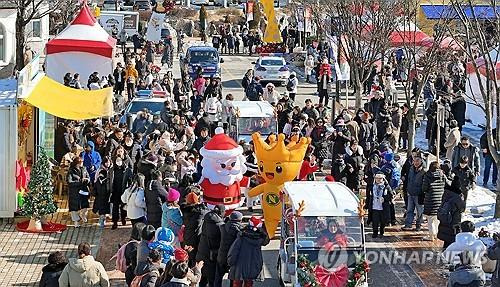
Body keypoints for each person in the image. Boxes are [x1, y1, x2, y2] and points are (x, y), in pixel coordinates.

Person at [227, 217, 270, 287]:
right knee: (249, 283)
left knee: (237, 282)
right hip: (254, 263)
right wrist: (264, 231)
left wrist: (230, 261)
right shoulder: (260, 239)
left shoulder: (242, 236)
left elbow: (234, 250)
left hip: (240, 263)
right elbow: (266, 241)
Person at [196, 204, 225, 287]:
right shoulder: (220, 225)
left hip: (202, 251)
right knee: (212, 280)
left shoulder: (206, 219)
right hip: (212, 256)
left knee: (202, 279)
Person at [215, 211, 244, 287]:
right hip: (233, 257)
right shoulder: (241, 231)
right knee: (233, 278)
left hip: (221, 255)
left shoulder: (222, 227)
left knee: (218, 277)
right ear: (240, 220)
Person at [437, 176, 466, 249]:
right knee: (451, 239)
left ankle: (444, 252)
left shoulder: (446, 193)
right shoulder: (458, 197)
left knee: (446, 238)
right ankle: (448, 255)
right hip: (453, 220)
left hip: (445, 219)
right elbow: (462, 209)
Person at [422, 161, 446, 241]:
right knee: (436, 219)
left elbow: (424, 188)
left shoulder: (427, 175)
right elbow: (447, 184)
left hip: (430, 200)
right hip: (440, 199)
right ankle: (436, 234)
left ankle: (431, 236)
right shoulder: (442, 175)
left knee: (430, 220)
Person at [402, 155, 426, 231]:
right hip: (410, 193)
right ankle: (408, 224)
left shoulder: (424, 171)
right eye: (414, 161)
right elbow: (409, 180)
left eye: (417, 161)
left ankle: (418, 225)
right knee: (409, 210)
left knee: (419, 211)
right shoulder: (411, 169)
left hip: (419, 194)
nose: (415, 163)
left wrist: (421, 192)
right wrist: (408, 190)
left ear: (421, 161)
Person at [110, 154, 133, 229]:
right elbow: (109, 180)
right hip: (115, 191)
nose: (118, 162)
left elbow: (130, 180)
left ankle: (123, 218)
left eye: (120, 160)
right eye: (117, 160)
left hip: (124, 190)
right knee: (115, 207)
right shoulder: (112, 170)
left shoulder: (126, 170)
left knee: (123, 206)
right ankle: (115, 222)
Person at [67, 157, 91, 228]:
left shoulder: (84, 169)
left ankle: (83, 215)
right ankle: (76, 221)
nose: (82, 164)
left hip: (83, 190)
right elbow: (69, 182)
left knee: (85, 205)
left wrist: (87, 180)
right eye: (80, 163)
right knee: (74, 207)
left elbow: (88, 177)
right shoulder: (71, 171)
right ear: (76, 164)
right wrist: (79, 182)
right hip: (74, 192)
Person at [369, 173, 393, 238]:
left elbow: (391, 195)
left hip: (383, 207)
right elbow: (369, 196)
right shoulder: (372, 186)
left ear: (383, 179)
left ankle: (382, 231)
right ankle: (375, 232)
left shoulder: (386, 186)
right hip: (374, 206)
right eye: (377, 178)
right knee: (375, 221)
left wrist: (385, 198)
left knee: (383, 221)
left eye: (380, 178)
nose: (378, 180)